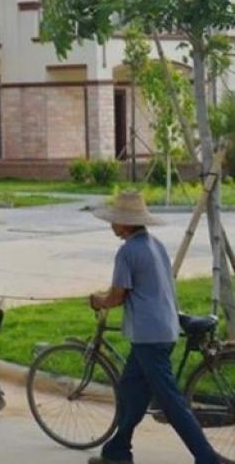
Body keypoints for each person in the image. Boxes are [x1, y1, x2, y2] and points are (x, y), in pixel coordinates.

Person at [87, 191, 219, 464]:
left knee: (171, 402)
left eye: (115, 220)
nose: (112, 224)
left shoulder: (126, 252)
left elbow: (117, 296)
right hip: (163, 329)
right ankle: (117, 451)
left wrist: (97, 300)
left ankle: (207, 458)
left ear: (125, 224)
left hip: (149, 336)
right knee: (130, 391)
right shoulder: (154, 244)